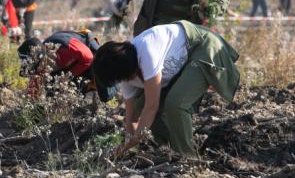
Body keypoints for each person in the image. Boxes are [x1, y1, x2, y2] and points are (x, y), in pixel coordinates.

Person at [92, 21, 240, 156]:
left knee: (175, 104)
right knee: (139, 105)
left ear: (125, 69)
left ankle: (188, 157)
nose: (125, 81)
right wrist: (126, 147)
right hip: (180, 66)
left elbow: (152, 106)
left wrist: (135, 140)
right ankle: (171, 149)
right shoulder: (124, 75)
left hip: (201, 47)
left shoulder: (146, 51)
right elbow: (132, 117)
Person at [17, 30, 117, 102]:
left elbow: (88, 57)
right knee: (53, 93)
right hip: (72, 64)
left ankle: (118, 83)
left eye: (36, 67)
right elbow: (33, 90)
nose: (37, 71)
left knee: (105, 94)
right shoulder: (40, 64)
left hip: (90, 52)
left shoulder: (64, 47)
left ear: (42, 59)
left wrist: (69, 76)